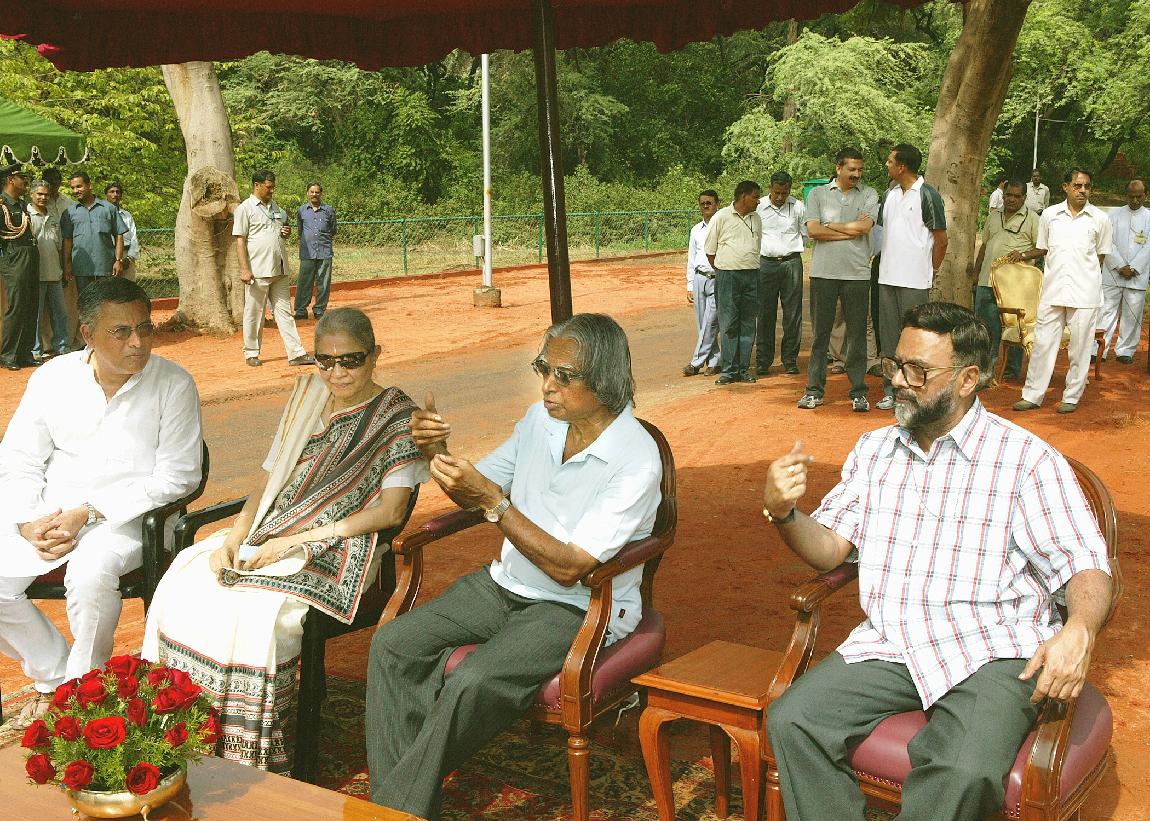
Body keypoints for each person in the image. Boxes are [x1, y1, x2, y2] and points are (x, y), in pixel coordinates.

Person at [764, 301, 1112, 821]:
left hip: (993, 650)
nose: (897, 381)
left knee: (961, 769)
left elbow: (1085, 563)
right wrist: (784, 513)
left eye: (917, 371)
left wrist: (1080, 627)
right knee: (793, 720)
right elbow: (830, 548)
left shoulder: (1027, 460)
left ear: (968, 379)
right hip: (892, 641)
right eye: (895, 364)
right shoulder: (875, 451)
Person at [367, 313, 662, 820]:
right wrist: (437, 451)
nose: (547, 385)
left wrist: (495, 504)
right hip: (505, 583)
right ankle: (404, 806)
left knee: (475, 680)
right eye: (543, 369)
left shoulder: (636, 460)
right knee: (393, 643)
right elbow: (476, 487)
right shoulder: (539, 421)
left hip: (577, 605)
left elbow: (570, 568)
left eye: (564, 375)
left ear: (605, 380)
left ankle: (392, 808)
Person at [143, 306, 426, 772]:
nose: (337, 372)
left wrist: (300, 541)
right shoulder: (306, 400)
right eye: (325, 361)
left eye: (351, 360)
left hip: (340, 546)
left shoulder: (399, 418)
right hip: (272, 528)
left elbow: (392, 511)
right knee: (188, 580)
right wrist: (236, 535)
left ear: (375, 355)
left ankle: (241, 743)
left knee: (254, 608)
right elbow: (269, 480)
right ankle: (183, 728)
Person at [0, 277, 202, 729]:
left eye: (144, 328)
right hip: (50, 514)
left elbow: (179, 476)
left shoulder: (173, 384)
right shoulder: (52, 377)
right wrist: (28, 521)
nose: (137, 342)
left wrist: (88, 512)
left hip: (129, 519)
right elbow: (18, 459)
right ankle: (56, 676)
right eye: (121, 331)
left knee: (90, 575)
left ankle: (81, 701)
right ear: (87, 333)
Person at [1014, 168, 1110, 415]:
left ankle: (1072, 396)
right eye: (1077, 185)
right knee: (1043, 345)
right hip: (1053, 290)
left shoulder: (1100, 219)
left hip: (1084, 293)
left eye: (1087, 186)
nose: (1082, 190)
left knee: (1080, 349)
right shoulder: (1050, 215)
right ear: (1066, 186)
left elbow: (1100, 256)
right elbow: (1044, 248)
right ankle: (1032, 395)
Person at [801, 148, 879, 412]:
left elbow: (865, 228)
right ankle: (814, 390)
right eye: (852, 169)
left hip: (857, 274)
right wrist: (849, 231)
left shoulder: (869, 194)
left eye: (860, 170)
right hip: (823, 273)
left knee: (856, 335)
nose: (857, 174)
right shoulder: (818, 194)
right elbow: (813, 231)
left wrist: (830, 225)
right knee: (820, 335)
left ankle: (858, 391)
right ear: (838, 168)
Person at [875, 144, 948, 410]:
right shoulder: (890, 194)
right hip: (887, 278)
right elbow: (881, 233)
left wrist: (932, 269)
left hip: (915, 280)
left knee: (915, 339)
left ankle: (915, 392)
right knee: (889, 340)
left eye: (890, 161)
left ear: (902, 167)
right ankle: (890, 391)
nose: (887, 165)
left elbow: (941, 240)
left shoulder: (927, 194)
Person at [233, 170, 312, 368]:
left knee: (285, 313)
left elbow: (280, 231)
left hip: (280, 269)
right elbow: (240, 241)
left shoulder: (276, 208)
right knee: (254, 313)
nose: (272, 190)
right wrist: (244, 269)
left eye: (273, 187)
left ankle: (296, 353)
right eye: (268, 187)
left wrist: (286, 232)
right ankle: (251, 352)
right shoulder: (245, 209)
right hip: (258, 271)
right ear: (257, 185)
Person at [972, 180, 1042, 379]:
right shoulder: (993, 216)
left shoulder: (1033, 219)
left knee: (1015, 328)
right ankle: (986, 371)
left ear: (1024, 198)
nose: (1011, 199)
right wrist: (976, 274)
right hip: (987, 282)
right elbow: (984, 246)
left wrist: (1024, 255)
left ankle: (1011, 370)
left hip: (1016, 287)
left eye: (1016, 196)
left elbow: (1044, 248)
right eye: (1008, 195)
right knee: (986, 329)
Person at [705, 181, 763, 385]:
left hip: (752, 275)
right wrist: (724, 269)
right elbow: (710, 251)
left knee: (748, 323)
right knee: (728, 323)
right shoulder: (721, 217)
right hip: (728, 276)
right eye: (755, 197)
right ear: (743, 196)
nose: (758, 201)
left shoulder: (756, 218)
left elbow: (757, 246)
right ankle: (729, 371)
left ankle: (743, 369)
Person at [755, 171, 805, 376]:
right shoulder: (758, 206)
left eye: (784, 193)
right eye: (776, 192)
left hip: (791, 262)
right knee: (765, 313)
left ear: (789, 190)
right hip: (765, 264)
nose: (780, 197)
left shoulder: (798, 207)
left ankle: (790, 359)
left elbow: (806, 233)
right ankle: (763, 360)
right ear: (770, 188)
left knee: (793, 313)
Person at [1096, 179, 1148, 364]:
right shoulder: (1114, 216)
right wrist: (1119, 265)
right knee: (1106, 311)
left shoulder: (1149, 217)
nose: (1135, 200)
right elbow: (1107, 242)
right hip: (1113, 272)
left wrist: (1133, 268)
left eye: (1139, 196)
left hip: (1137, 275)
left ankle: (1125, 351)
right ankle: (1098, 349)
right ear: (1126, 195)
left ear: (1145, 196)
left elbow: (1148, 247)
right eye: (1131, 196)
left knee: (1132, 315)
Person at [60, 171, 127, 296]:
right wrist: (67, 265)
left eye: (79, 186)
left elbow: (119, 234)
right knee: (85, 302)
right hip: (81, 268)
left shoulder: (108, 209)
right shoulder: (69, 212)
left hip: (106, 267)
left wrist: (118, 260)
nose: (75, 191)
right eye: (73, 188)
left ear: (89, 186)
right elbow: (67, 240)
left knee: (106, 301)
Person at [0, 164, 39, 371]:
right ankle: (9, 355)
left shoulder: (21, 205)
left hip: (30, 254)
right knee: (16, 307)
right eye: (21, 177)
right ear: (10, 180)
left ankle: (25, 352)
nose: (25, 181)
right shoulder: (2, 205)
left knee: (31, 304)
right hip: (14, 257)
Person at [27, 179, 70, 362]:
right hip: (34, 275)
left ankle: (63, 348)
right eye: (39, 194)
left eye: (46, 194)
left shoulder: (52, 217)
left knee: (60, 313)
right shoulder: (26, 216)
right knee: (36, 316)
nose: (43, 197)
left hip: (54, 274)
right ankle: (35, 351)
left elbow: (59, 247)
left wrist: (63, 269)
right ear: (31, 194)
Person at [682, 189, 721, 377]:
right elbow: (692, 258)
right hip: (699, 278)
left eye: (709, 203)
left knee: (711, 322)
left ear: (717, 204)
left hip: (717, 277)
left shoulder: (722, 226)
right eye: (703, 203)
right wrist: (690, 285)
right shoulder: (696, 230)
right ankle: (715, 361)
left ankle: (696, 362)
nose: (706, 206)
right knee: (701, 324)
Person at [295, 181, 337, 321]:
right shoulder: (301, 210)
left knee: (323, 282)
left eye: (317, 192)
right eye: (312, 192)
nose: (314, 194)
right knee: (304, 282)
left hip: (324, 251)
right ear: (307, 193)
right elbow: (300, 231)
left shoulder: (328, 210)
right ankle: (301, 310)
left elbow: (333, 230)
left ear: (321, 193)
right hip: (307, 252)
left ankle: (319, 309)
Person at [104, 181, 139, 281]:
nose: (115, 194)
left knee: (128, 287)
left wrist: (129, 259)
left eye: (117, 192)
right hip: (107, 256)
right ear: (106, 195)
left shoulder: (127, 216)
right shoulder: (101, 214)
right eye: (112, 192)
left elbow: (134, 238)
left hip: (126, 256)